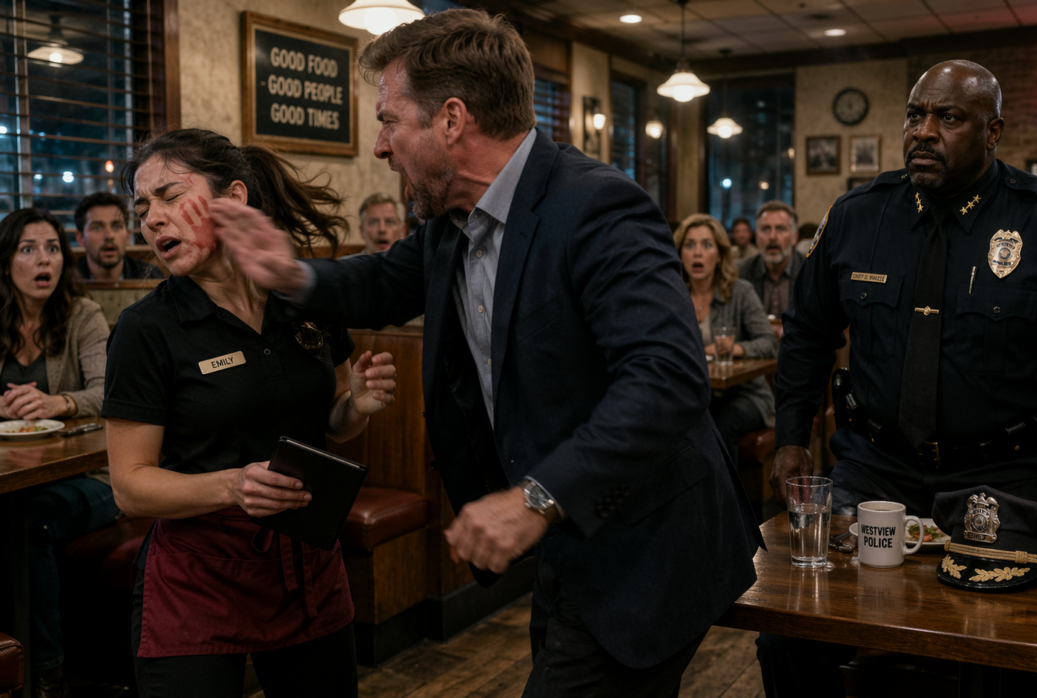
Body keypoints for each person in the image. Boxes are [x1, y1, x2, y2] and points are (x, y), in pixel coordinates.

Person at [209, 9, 761, 697]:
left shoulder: (596, 207)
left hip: (648, 539)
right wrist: (288, 274)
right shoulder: (451, 220)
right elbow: (381, 282)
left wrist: (534, 498)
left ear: (451, 119)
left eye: (388, 121)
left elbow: (668, 381)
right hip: (565, 533)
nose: (379, 147)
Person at [760, 60, 1037, 697]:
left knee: (1012, 655)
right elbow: (806, 335)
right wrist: (789, 438)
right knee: (787, 636)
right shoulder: (858, 217)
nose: (924, 131)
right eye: (915, 115)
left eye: (948, 117)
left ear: (993, 132)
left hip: (1007, 479)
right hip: (876, 472)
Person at [103, 129, 397, 698]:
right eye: (142, 209)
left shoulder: (305, 295)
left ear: (234, 198)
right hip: (199, 579)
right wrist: (234, 485)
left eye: (170, 196)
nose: (153, 219)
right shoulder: (146, 330)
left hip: (307, 566)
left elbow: (333, 427)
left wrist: (356, 405)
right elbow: (130, 487)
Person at [0, 208, 110, 698]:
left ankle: (46, 674)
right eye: (28, 249)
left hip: (96, 476)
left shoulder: (83, 314)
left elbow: (109, 392)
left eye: (52, 248)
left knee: (27, 521)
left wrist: (57, 402)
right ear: (7, 262)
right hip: (19, 474)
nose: (44, 260)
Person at [675, 213, 777, 469]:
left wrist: (735, 348)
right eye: (690, 245)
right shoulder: (675, 296)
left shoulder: (740, 292)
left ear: (720, 255)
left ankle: (728, 494)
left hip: (745, 394)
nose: (697, 253)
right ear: (680, 253)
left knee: (724, 420)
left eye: (706, 245)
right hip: (696, 392)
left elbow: (769, 343)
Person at [72, 192, 164, 281]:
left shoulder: (150, 276)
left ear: (127, 235)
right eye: (97, 228)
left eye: (117, 227)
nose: (109, 236)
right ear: (80, 238)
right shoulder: (68, 278)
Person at [737, 200, 802, 318]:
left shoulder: (811, 272)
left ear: (794, 237)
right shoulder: (739, 272)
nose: (772, 237)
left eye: (781, 229)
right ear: (757, 237)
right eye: (766, 229)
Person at [347, 192, 407, 257]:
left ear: (402, 231)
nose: (382, 229)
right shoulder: (345, 263)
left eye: (390, 222)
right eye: (373, 222)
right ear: (362, 231)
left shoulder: (413, 263)